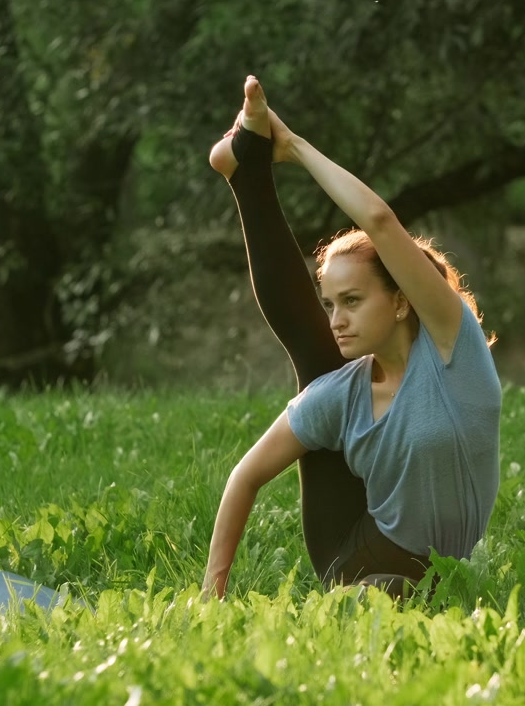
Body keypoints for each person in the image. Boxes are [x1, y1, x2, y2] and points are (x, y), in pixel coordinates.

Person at [201, 76, 501, 600]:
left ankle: (248, 173)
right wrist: (212, 589)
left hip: (430, 570)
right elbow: (245, 476)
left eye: (354, 301)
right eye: (330, 304)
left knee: (315, 355)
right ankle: (246, 172)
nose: (336, 318)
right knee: (320, 364)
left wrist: (292, 146)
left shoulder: (455, 353)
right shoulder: (342, 393)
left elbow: (380, 221)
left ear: (403, 299)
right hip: (353, 554)